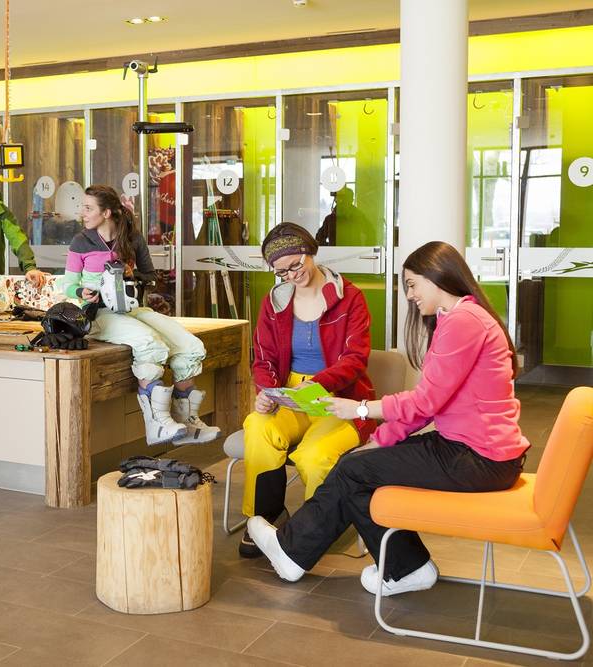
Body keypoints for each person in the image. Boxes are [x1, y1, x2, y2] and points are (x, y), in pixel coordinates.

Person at [247, 241, 529, 596]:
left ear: (436, 276)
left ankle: (298, 552)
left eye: (412, 284)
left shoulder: (464, 321)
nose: (409, 295)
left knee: (353, 470)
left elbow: (425, 402)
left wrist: (361, 409)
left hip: (478, 458)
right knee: (357, 465)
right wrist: (379, 440)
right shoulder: (456, 318)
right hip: (470, 451)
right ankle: (405, 567)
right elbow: (430, 404)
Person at [238, 222, 374, 559]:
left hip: (337, 399)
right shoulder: (275, 303)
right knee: (257, 425)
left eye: (296, 265)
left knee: (314, 456)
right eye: (281, 272)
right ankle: (266, 516)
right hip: (291, 395)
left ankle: (314, 530)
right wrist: (267, 392)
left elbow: (355, 359)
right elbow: (264, 358)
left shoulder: (350, 298)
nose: (291, 275)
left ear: (310, 252)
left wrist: (319, 383)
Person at [61, 184, 220, 446]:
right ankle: (157, 424)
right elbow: (66, 284)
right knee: (150, 344)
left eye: (88, 208)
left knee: (191, 346)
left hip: (132, 309)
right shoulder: (81, 241)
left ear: (106, 212)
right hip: (97, 314)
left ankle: (186, 421)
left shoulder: (132, 238)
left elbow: (150, 276)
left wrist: (132, 274)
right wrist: (81, 290)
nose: (82, 213)